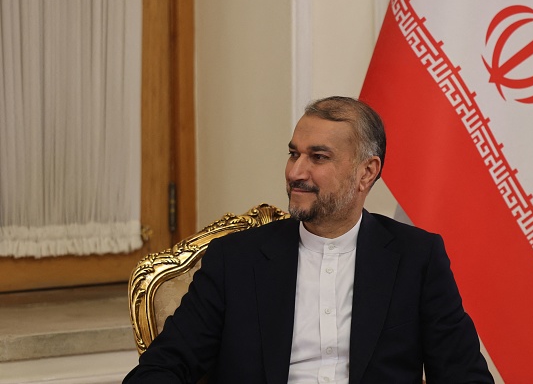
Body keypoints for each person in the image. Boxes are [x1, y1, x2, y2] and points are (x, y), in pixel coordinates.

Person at [124, 96, 494, 383]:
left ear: (367, 172)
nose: (295, 172)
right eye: (293, 154)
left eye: (318, 157)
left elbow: (463, 374)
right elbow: (163, 367)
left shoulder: (416, 257)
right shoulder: (236, 260)